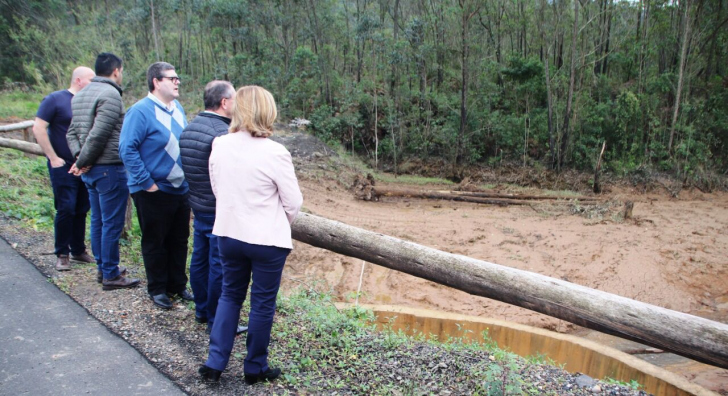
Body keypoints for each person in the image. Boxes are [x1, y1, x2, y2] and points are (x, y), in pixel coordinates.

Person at [198, 86, 303, 384]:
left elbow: (218, 188)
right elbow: (293, 202)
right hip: (267, 239)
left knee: (230, 296)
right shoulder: (276, 152)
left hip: (229, 234)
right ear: (268, 111)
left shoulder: (221, 144)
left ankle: (215, 362)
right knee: (262, 304)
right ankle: (255, 367)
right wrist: (278, 220)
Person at [119, 62, 192, 309]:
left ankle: (177, 284)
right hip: (154, 189)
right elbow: (126, 149)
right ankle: (158, 288)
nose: (177, 81)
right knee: (155, 240)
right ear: (156, 81)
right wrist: (146, 182)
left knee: (179, 239)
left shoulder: (177, 108)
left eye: (177, 77)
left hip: (180, 188)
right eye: (172, 78)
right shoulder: (139, 112)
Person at [66, 53, 139, 290]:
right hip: (108, 169)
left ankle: (104, 267)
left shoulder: (81, 95)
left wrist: (80, 158)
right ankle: (110, 273)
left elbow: (72, 133)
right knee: (111, 223)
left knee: (98, 220)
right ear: (116, 70)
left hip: (92, 169)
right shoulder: (110, 94)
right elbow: (99, 134)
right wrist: (82, 161)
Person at [180, 80, 247, 335]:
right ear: (224, 103)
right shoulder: (221, 135)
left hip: (198, 205)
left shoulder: (189, 128)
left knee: (199, 259)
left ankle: (201, 309)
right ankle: (216, 319)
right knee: (219, 265)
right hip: (218, 209)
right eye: (235, 100)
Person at [33, 67, 96, 272]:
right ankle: (62, 252)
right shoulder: (55, 99)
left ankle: (78, 249)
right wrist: (53, 157)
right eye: (91, 80)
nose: (94, 83)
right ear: (78, 80)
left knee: (82, 208)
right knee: (66, 207)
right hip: (63, 165)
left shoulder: (90, 103)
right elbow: (39, 127)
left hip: (84, 164)